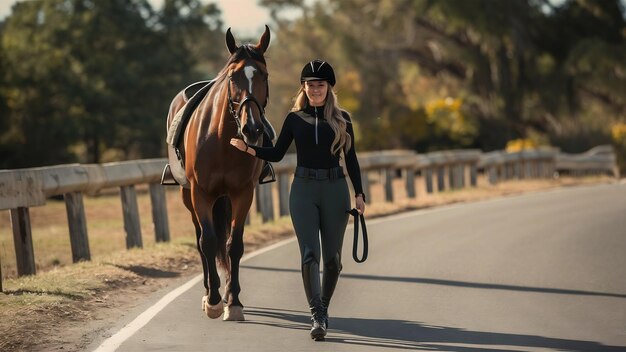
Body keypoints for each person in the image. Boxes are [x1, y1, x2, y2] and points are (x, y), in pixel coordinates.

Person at [230, 59, 366, 340]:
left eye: (321, 85)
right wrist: (249, 150)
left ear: (329, 88)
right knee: (309, 254)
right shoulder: (294, 119)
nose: (315, 90)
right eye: (310, 85)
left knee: (333, 260)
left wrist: (359, 194)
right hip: (303, 189)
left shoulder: (343, 119)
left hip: (335, 189)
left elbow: (351, 159)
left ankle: (323, 309)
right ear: (303, 88)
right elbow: (278, 153)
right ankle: (316, 314)